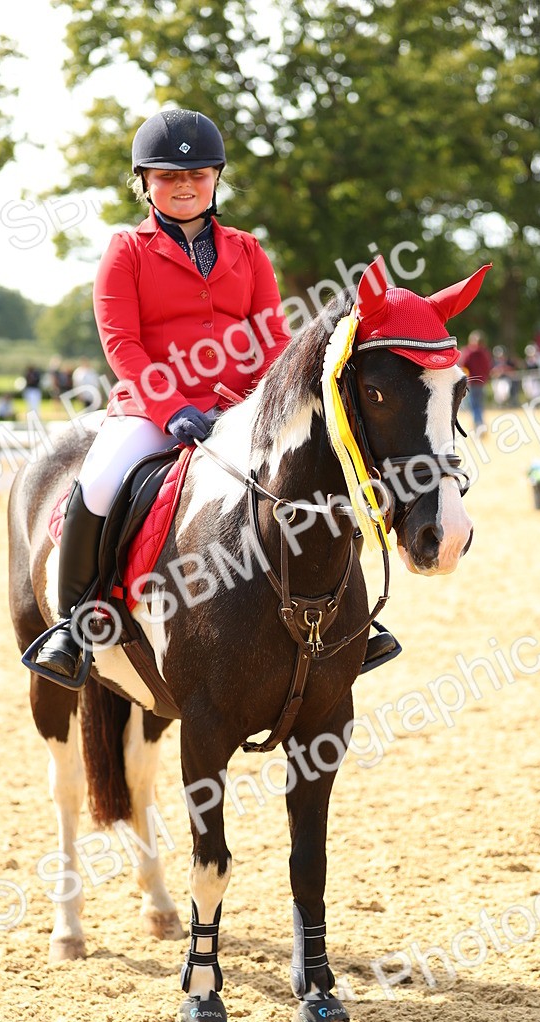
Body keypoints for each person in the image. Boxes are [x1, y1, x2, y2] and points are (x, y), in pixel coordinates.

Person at [35, 109, 397, 681]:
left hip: (241, 406)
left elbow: (274, 338)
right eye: (168, 175)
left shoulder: (248, 251)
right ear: (145, 182)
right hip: (153, 409)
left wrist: (277, 401)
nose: (184, 184)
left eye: (198, 174)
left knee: (321, 470)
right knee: (100, 482)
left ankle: (352, 618)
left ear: (216, 179)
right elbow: (122, 343)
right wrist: (170, 406)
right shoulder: (126, 250)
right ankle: (74, 625)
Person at [458, 331, 493, 435]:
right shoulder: (485, 353)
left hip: (472, 383)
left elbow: (463, 366)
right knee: (479, 405)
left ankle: (478, 426)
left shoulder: (468, 352)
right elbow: (488, 367)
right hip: (482, 383)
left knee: (474, 406)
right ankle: (480, 425)